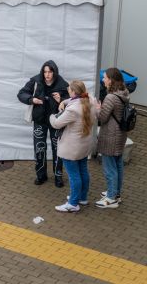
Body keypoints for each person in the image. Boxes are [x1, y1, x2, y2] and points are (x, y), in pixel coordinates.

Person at [17, 61, 69, 187]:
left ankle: (58, 177)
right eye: (45, 71)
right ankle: (41, 175)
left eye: (50, 72)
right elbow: (21, 94)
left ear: (54, 72)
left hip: (56, 121)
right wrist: (31, 100)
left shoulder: (62, 83)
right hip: (39, 120)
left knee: (58, 149)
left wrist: (61, 100)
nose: (47, 75)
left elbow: (72, 100)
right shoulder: (35, 81)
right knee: (39, 147)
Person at [50, 81, 96, 213]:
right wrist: (64, 101)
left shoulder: (73, 110)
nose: (68, 91)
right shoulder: (90, 100)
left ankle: (73, 203)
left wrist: (51, 116)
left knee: (74, 175)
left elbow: (57, 124)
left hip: (71, 148)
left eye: (69, 90)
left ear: (74, 92)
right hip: (84, 145)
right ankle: (82, 197)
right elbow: (74, 100)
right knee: (83, 171)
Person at [96, 68, 131, 208]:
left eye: (104, 78)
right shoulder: (124, 93)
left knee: (109, 167)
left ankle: (111, 198)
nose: (103, 80)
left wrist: (98, 108)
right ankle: (116, 193)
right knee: (118, 165)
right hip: (121, 134)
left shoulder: (110, 97)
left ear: (111, 80)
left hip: (111, 136)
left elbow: (102, 118)